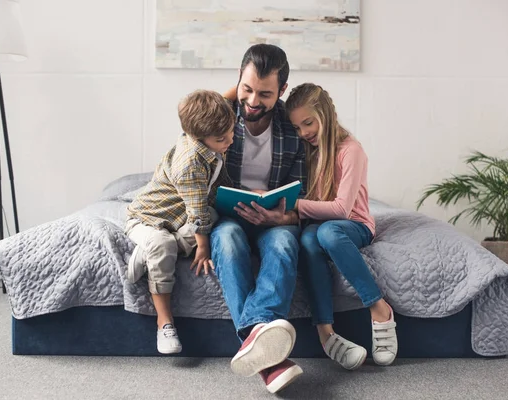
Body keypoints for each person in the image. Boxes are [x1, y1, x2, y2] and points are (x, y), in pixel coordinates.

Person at [211, 44, 307, 394]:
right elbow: (188, 131)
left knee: (284, 244)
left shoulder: (292, 127)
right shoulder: (221, 115)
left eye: (265, 94)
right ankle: (268, 353)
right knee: (226, 240)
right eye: (246, 88)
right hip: (229, 216)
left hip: (273, 220)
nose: (252, 101)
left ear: (281, 91)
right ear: (237, 79)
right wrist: (230, 94)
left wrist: (284, 217)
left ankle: (254, 337)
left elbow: (304, 192)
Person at [285, 83, 398, 369]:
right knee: (309, 240)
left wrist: (295, 205)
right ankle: (326, 333)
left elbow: (341, 209)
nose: (304, 133)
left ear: (325, 114)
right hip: (319, 226)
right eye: (297, 128)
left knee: (327, 232)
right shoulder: (307, 151)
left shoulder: (351, 150)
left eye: (308, 123)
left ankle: (379, 308)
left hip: (354, 224)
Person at [125, 90, 235, 355]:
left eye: (232, 132)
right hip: (148, 219)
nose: (230, 140)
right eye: (222, 138)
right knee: (164, 244)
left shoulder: (207, 134)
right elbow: (197, 214)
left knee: (216, 214)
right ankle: (164, 322)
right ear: (199, 137)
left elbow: (220, 103)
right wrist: (203, 248)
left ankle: (148, 252)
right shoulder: (190, 164)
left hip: (177, 218)